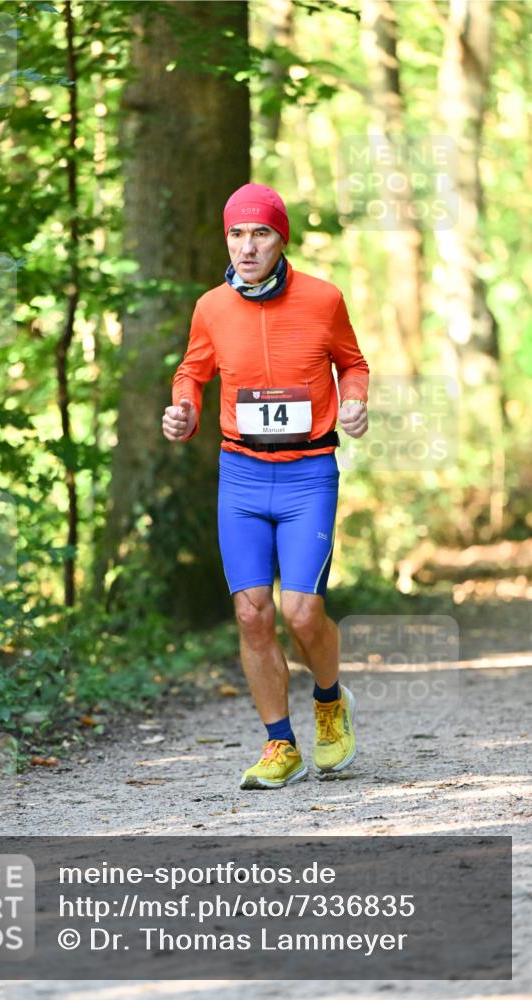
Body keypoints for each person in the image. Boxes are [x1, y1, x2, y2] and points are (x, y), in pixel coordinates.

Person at [162, 183, 369, 790]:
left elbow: (352, 363)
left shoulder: (324, 299)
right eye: (236, 234)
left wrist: (354, 401)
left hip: (308, 475)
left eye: (261, 234)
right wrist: (184, 408)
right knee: (252, 614)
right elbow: (192, 371)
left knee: (302, 612)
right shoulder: (211, 307)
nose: (247, 247)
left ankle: (329, 703)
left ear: (282, 240)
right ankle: (280, 744)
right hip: (243, 476)